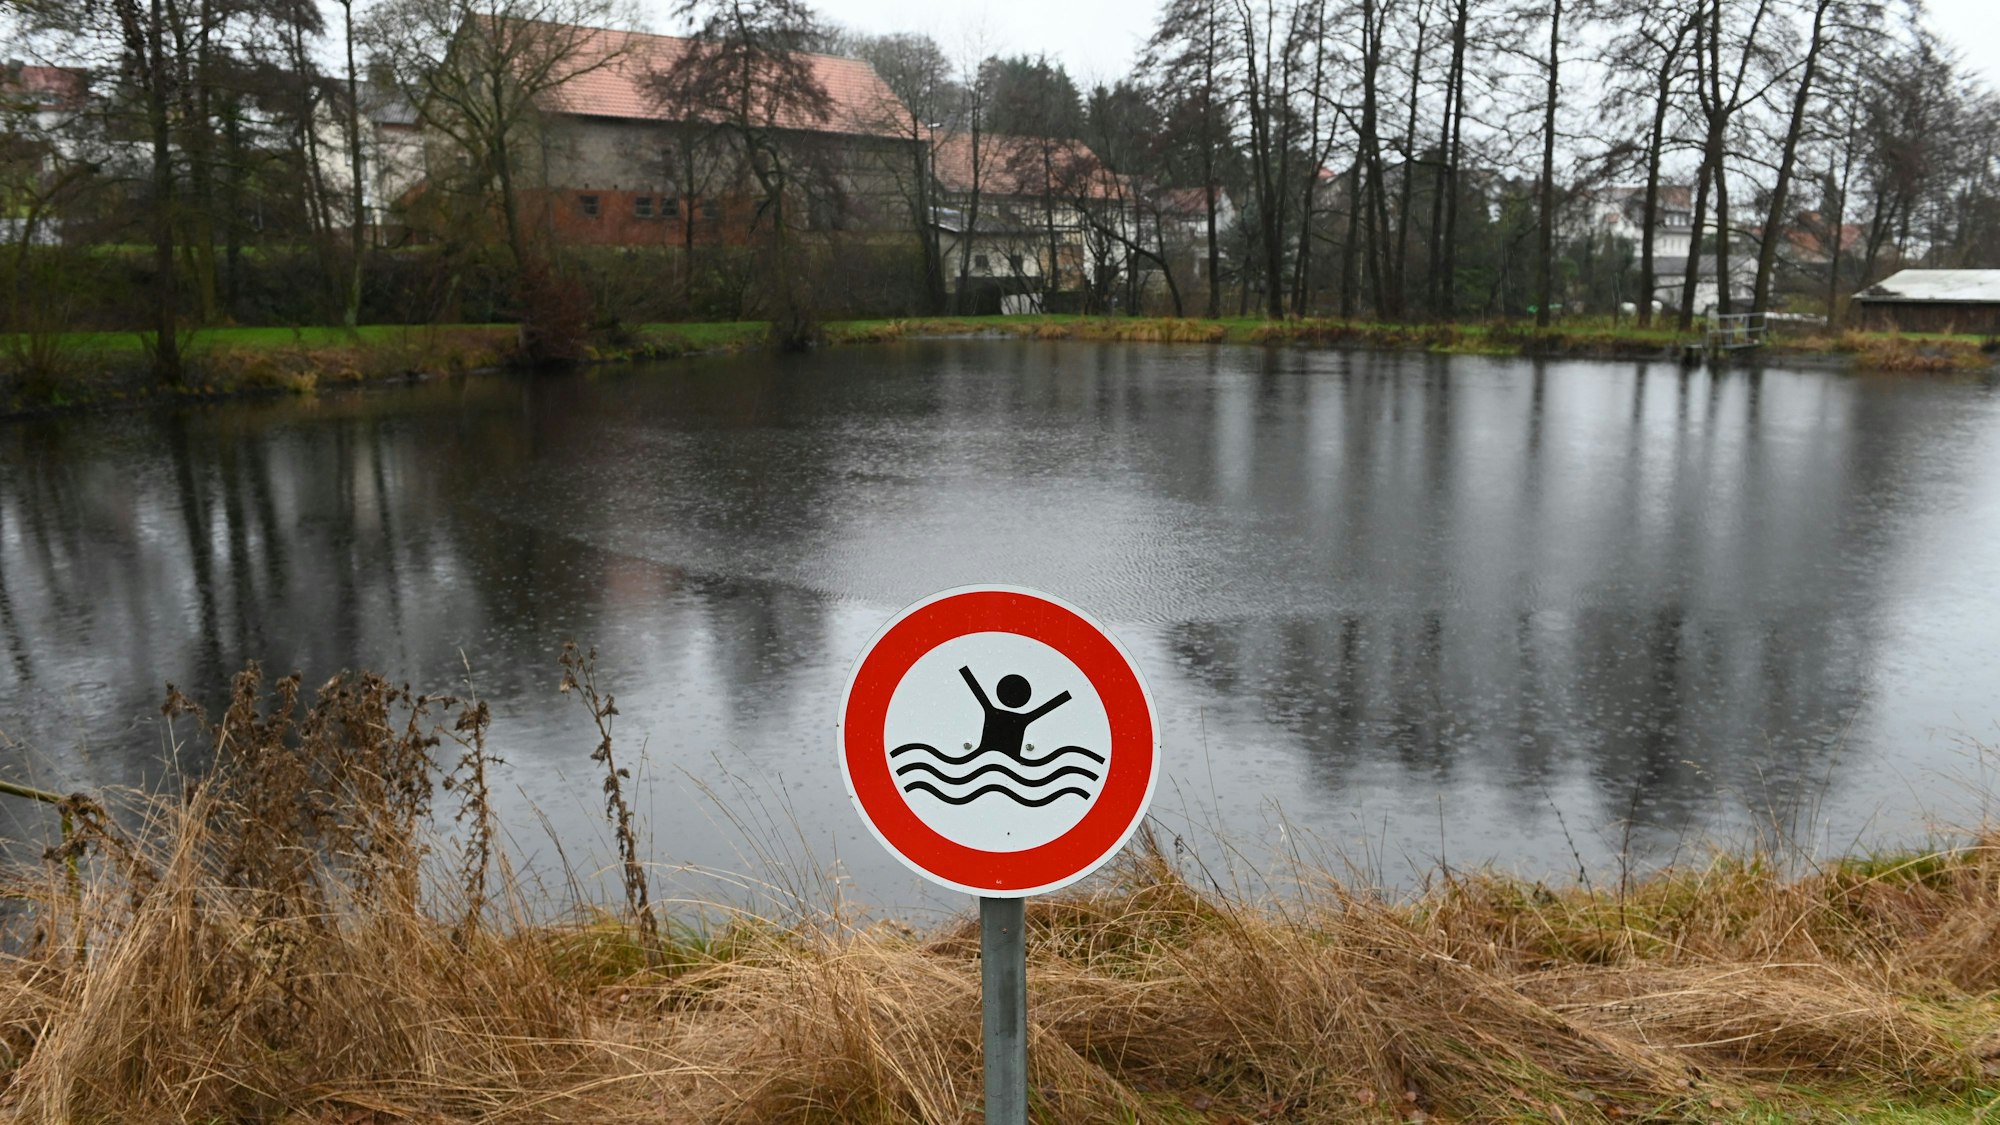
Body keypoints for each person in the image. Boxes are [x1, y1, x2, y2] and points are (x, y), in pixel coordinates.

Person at [958, 666, 1069, 763]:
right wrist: (1066, 696)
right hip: (1014, 765)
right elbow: (1048, 707)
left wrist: (964, 671)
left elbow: (976, 690)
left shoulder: (993, 712)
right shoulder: (1022, 719)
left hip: (981, 761)